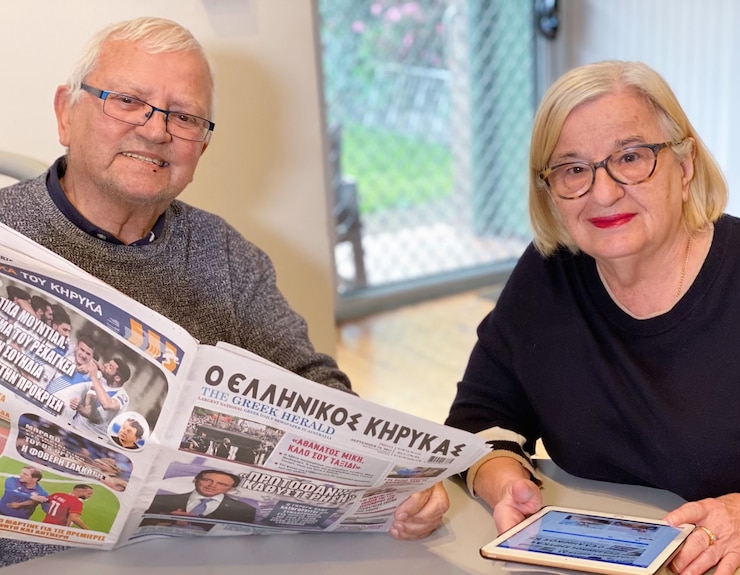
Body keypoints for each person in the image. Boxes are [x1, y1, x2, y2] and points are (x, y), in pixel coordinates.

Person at [0, 16, 446, 566]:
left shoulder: (228, 255)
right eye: (128, 100)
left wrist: (390, 482)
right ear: (66, 112)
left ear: (201, 148)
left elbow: (315, 385)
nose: (157, 130)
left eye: (184, 116)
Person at [445, 60, 740, 575]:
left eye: (631, 157)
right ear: (550, 190)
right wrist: (505, 481)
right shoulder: (547, 275)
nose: (602, 192)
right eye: (573, 169)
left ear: (684, 166)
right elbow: (480, 418)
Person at [141, 469, 256, 530]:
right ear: (195, 480)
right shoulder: (161, 500)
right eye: (207, 480)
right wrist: (167, 518)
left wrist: (195, 521)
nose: (212, 485)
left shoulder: (245, 510)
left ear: (230, 489)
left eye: (221, 484)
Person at [71, 355, 132, 436]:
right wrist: (88, 363)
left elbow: (107, 404)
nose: (105, 365)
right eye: (108, 363)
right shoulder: (105, 378)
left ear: (117, 378)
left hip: (93, 437)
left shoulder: (122, 396)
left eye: (110, 367)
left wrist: (94, 376)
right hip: (75, 426)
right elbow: (99, 365)